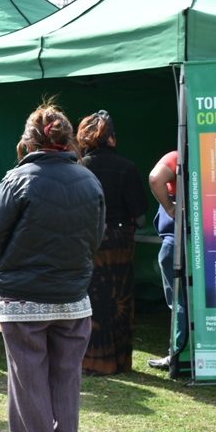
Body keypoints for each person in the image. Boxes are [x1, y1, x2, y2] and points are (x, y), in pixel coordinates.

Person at [0, 103, 104, 432]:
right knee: (66, 381)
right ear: (67, 139)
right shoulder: (90, 181)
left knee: (29, 381)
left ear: (30, 139)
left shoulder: (18, 179)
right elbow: (95, 239)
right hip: (73, 298)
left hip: (23, 298)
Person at [76, 110, 145, 375]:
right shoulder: (127, 167)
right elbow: (139, 216)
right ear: (112, 139)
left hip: (89, 239)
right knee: (120, 299)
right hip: (120, 240)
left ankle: (93, 361)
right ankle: (120, 362)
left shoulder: (79, 168)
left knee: (92, 297)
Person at [147, 150, 186, 369]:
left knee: (179, 300)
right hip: (209, 243)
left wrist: (170, 207)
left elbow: (155, 178)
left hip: (176, 241)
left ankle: (178, 353)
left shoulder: (177, 156)